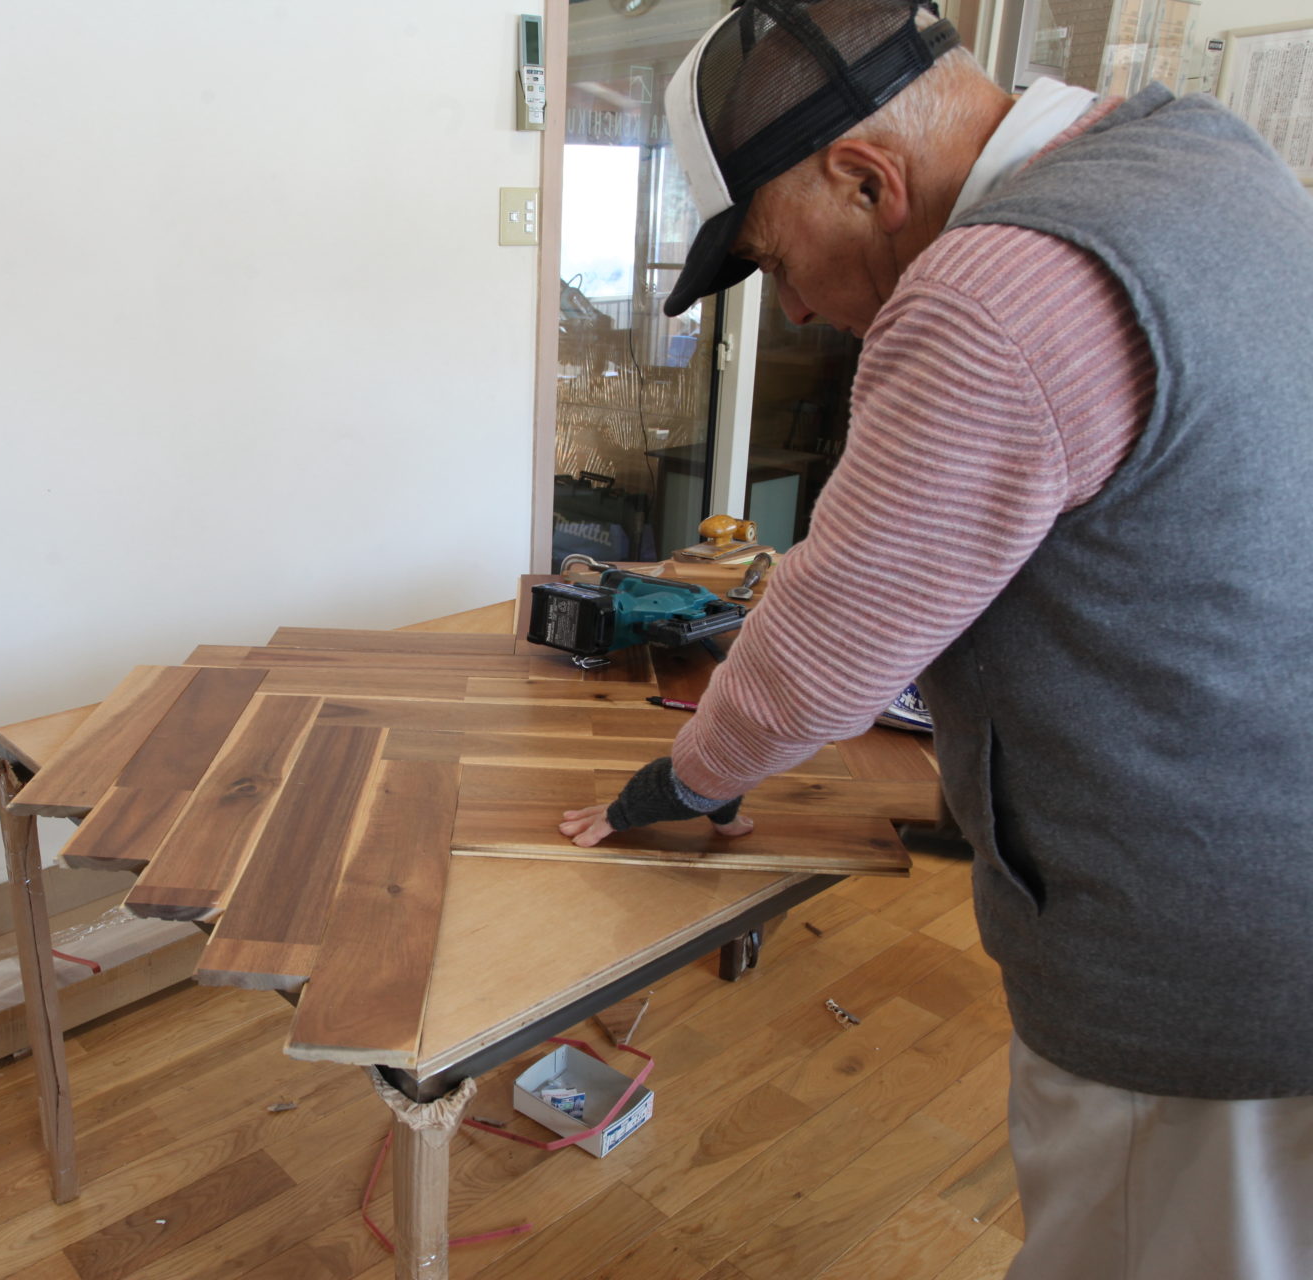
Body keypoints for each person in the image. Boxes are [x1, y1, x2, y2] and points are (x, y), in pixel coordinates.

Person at [558, 1, 1313, 1276]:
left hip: (1195, 968)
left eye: (775, 259)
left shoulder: (991, 293)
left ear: (867, 178)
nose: (795, 311)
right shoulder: (1204, 152)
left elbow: (823, 654)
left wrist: (685, 781)